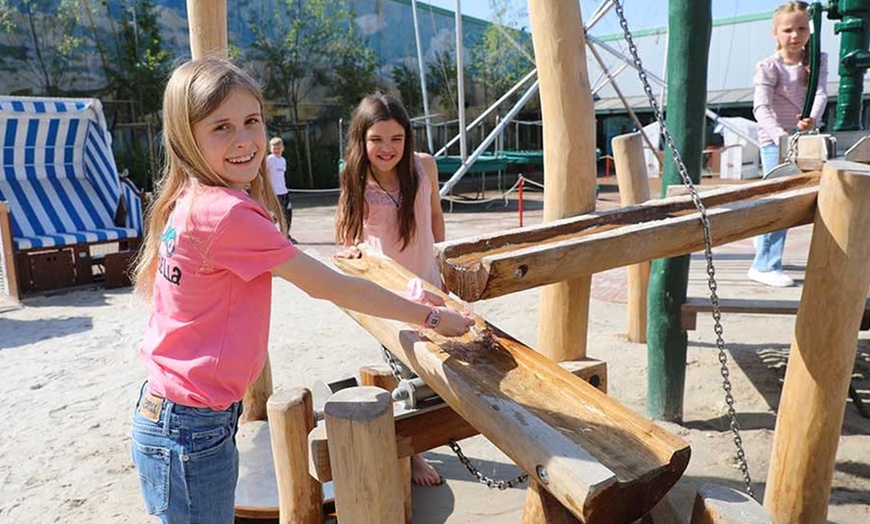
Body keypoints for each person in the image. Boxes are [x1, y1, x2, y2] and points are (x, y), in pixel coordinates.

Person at [129, 59, 473, 524]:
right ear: (187, 136)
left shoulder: (192, 196)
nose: (244, 140)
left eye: (251, 121)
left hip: (177, 415)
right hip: (191, 427)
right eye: (221, 127)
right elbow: (329, 286)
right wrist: (430, 317)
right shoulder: (228, 213)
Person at [335, 92, 445, 487]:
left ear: (407, 137)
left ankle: (427, 433)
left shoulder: (423, 166)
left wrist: (442, 268)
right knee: (407, 372)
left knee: (439, 367)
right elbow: (346, 231)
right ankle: (413, 452)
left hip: (429, 282)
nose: (387, 148)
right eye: (377, 139)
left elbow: (434, 219)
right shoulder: (356, 176)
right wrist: (352, 255)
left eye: (396, 138)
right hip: (391, 295)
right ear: (362, 140)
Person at [749, 0, 827, 287]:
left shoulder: (817, 59)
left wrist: (811, 119)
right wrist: (782, 137)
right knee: (781, 199)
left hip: (804, 138)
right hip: (776, 141)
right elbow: (761, 108)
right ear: (776, 34)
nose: (795, 35)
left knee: (798, 196)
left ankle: (764, 244)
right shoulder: (769, 66)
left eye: (801, 28)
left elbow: (819, 93)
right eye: (787, 30)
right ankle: (765, 265)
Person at [267, 136, 295, 242]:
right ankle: (267, 231)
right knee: (279, 214)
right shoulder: (269, 159)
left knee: (288, 212)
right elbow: (265, 173)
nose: (276, 150)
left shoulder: (283, 160)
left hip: (284, 191)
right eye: (274, 148)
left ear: (282, 148)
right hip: (275, 192)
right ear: (270, 149)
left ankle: (285, 234)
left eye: (278, 148)